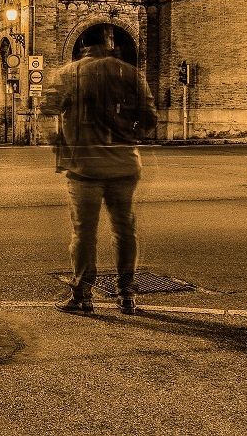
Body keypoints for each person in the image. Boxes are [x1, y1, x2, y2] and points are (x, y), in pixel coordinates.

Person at [41, 25, 157, 315]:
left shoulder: (68, 74)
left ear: (82, 45)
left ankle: (82, 294)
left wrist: (60, 142)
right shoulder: (130, 74)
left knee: (84, 233)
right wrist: (127, 133)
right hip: (124, 163)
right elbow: (150, 119)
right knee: (124, 230)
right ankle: (127, 294)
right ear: (109, 44)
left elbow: (45, 112)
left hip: (84, 167)